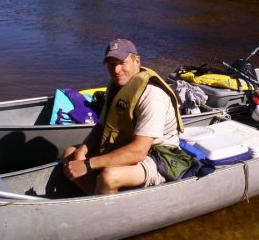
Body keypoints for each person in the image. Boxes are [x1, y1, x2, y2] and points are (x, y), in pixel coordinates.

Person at [62, 38, 184, 195]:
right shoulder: (116, 86)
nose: (116, 70)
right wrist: (81, 153)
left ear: (137, 61)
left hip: (158, 155)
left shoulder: (152, 95)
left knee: (109, 176)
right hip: (128, 143)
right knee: (69, 154)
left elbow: (139, 151)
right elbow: (101, 126)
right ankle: (99, 198)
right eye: (112, 65)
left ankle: (105, 206)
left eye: (122, 63)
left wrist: (88, 164)